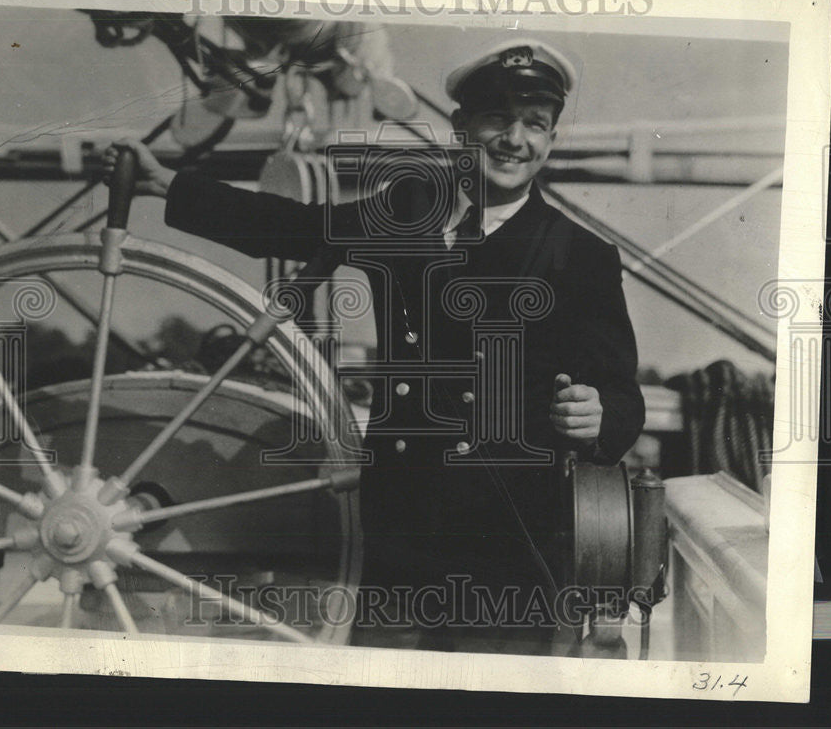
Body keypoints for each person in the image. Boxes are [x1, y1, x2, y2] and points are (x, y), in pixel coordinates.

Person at [104, 39, 645, 654]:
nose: (514, 140)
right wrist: (167, 185)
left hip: (508, 546)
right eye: (497, 118)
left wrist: (599, 418)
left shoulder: (581, 256)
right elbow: (299, 229)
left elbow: (622, 395)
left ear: (550, 138)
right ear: (462, 123)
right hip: (396, 527)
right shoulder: (406, 212)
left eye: (535, 124)